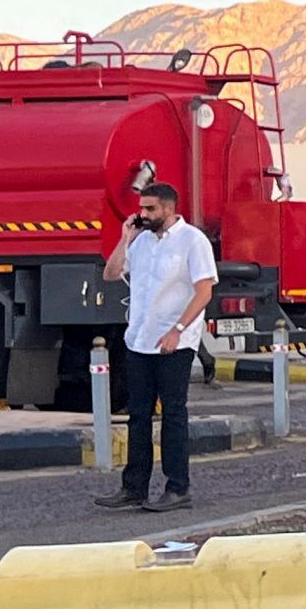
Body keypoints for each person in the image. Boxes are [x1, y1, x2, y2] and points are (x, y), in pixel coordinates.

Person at [92, 182, 215, 514]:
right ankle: (134, 487)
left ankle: (178, 488)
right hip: (140, 341)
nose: (142, 214)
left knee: (173, 413)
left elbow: (204, 292)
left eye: (150, 209)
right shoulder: (141, 242)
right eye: (141, 208)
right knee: (138, 415)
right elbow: (111, 273)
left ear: (169, 208)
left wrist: (178, 330)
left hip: (175, 341)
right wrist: (125, 238)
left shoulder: (193, 241)